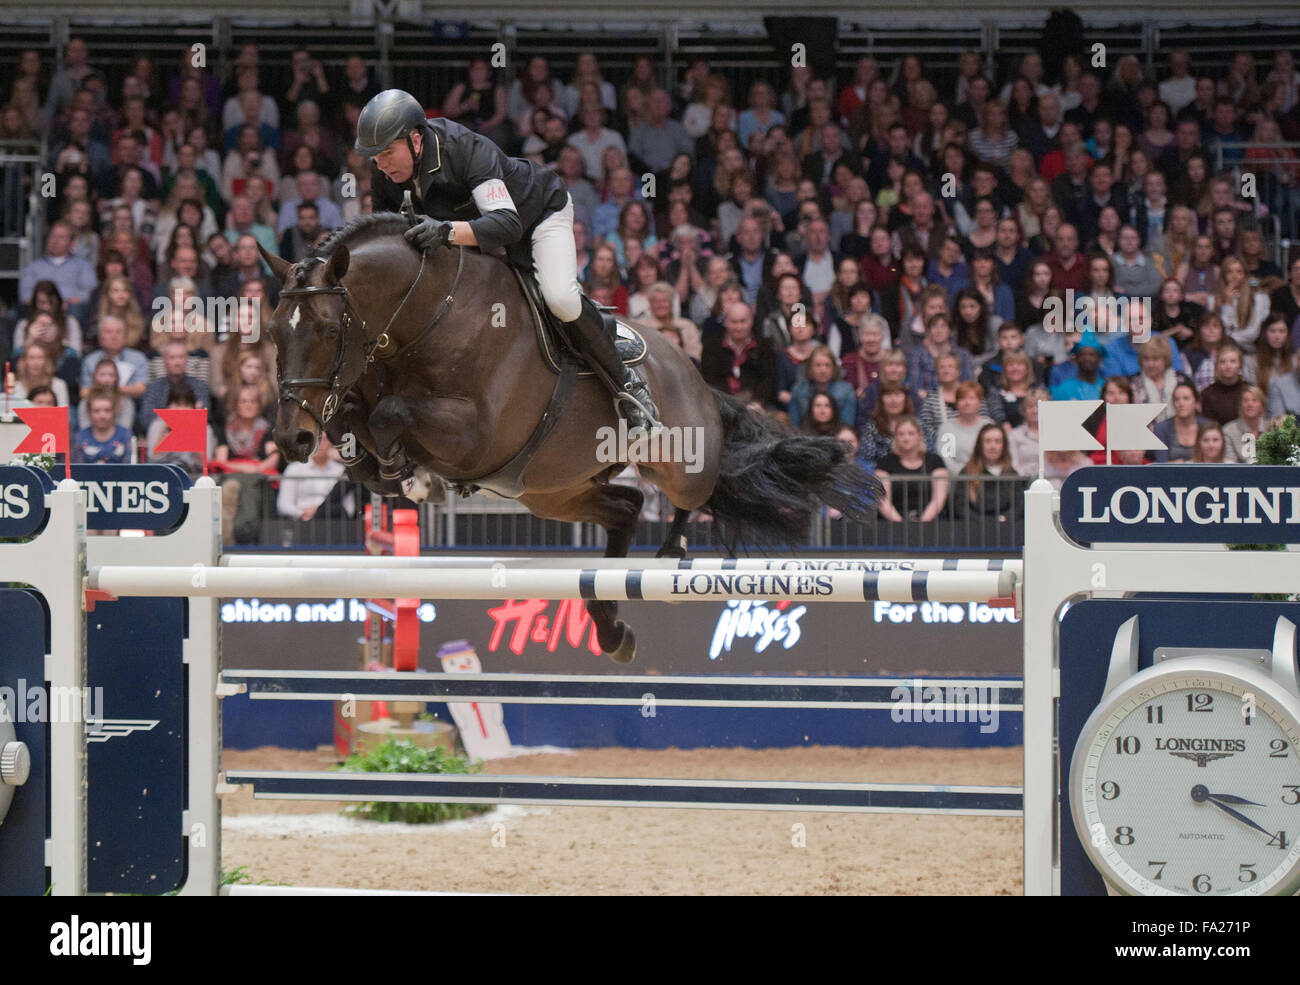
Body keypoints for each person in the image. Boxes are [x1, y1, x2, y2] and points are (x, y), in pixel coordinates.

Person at [356, 89, 661, 449]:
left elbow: (506, 224)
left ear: (416, 139)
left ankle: (630, 387)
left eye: (388, 153)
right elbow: (386, 242)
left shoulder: (466, 149)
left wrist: (447, 231)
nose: (382, 164)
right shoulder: (386, 174)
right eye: (375, 158)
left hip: (537, 219)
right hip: (477, 244)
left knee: (560, 299)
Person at [875, 415, 949, 523]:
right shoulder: (884, 462)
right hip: (892, 524)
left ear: (920, 436)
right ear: (895, 437)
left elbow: (939, 498)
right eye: (901, 434)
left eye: (911, 433)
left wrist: (922, 522)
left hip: (931, 523)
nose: (906, 438)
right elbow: (883, 500)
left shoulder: (935, 461)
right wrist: (901, 523)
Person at [145, 381, 216, 479]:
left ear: (194, 407)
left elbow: (205, 461)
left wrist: (192, 430)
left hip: (193, 476)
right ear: (168, 406)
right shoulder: (157, 425)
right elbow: (152, 457)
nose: (182, 409)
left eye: (186, 404)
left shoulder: (204, 428)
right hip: (162, 475)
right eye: (177, 404)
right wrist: (166, 429)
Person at [955, 423, 1021, 520]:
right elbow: (960, 507)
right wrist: (983, 522)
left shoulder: (1012, 474)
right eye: (988, 441)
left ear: (1004, 446)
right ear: (980, 445)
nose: (993, 446)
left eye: (998, 441)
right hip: (974, 529)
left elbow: (1018, 506)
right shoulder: (966, 472)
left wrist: (1004, 518)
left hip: (1006, 528)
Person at [788, 346, 855, 428]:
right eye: (818, 365)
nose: (823, 370)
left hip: (837, 437)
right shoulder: (798, 390)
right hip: (805, 436)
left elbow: (847, 426)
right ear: (810, 368)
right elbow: (794, 425)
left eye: (827, 365)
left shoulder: (846, 391)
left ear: (834, 368)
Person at [935, 381, 994, 474]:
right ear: (957, 403)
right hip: (957, 479)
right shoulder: (948, 429)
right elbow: (945, 458)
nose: (967, 402)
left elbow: (995, 454)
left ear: (979, 402)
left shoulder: (989, 426)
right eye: (962, 398)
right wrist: (964, 473)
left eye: (972, 398)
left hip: (986, 477)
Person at [1152, 382, 1210, 462]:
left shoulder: (1207, 426)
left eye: (1186, 398)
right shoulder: (1161, 428)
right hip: (1171, 474)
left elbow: (1214, 460)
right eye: (1177, 399)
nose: (1181, 403)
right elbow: (1160, 464)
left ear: (1196, 402)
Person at [73, 387, 132, 464]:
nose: (102, 415)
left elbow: (129, 468)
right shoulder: (80, 437)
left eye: (107, 410)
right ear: (89, 412)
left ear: (114, 411)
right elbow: (78, 469)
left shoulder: (125, 434)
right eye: (96, 411)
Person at [1199, 341, 1250, 425]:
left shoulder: (1249, 390)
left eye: (1233, 361)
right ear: (1217, 366)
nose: (1228, 366)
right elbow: (1208, 426)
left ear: (1240, 365)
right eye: (1223, 362)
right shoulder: (1207, 394)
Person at [1008, 386, 1047, 476]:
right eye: (1030, 407)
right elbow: (1014, 464)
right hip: (1024, 482)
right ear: (1024, 410)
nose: (1035, 410)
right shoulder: (1015, 435)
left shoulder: (1054, 433)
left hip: (1051, 482)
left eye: (1038, 406)